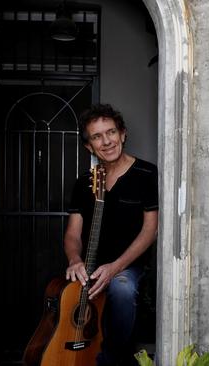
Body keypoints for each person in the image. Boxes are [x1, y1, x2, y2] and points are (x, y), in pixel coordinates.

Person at [64, 104, 158, 366]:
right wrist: (74, 259)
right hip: (90, 266)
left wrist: (115, 267)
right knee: (62, 294)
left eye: (111, 132)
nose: (106, 142)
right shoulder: (84, 183)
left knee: (122, 289)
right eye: (96, 136)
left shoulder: (147, 174)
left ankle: (110, 360)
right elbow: (73, 234)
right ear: (88, 147)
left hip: (129, 266)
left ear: (123, 134)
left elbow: (151, 230)